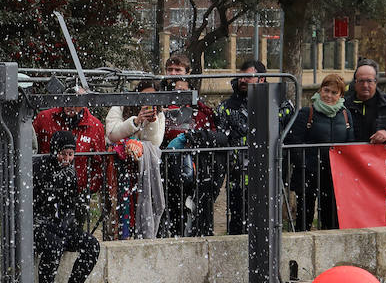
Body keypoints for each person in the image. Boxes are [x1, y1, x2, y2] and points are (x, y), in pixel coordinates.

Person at [33, 129, 119, 283]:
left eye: (71, 154)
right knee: (53, 245)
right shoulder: (39, 168)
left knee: (91, 245)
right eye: (63, 154)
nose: (67, 159)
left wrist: (69, 226)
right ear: (54, 151)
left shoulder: (70, 172)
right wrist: (53, 228)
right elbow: (32, 207)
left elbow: (70, 206)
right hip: (37, 228)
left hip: (61, 228)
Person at [213, 59, 294, 235]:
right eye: (240, 77)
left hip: (269, 172)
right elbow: (221, 134)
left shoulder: (279, 103)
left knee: (268, 220)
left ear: (262, 79)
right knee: (238, 219)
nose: (243, 81)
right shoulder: (227, 106)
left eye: (248, 77)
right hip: (237, 174)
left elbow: (288, 128)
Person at [158, 54, 219, 237]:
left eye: (178, 70)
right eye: (170, 70)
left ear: (187, 73)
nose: (173, 74)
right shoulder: (159, 101)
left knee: (192, 209)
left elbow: (209, 132)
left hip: (193, 168)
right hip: (165, 165)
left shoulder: (200, 109)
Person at [286, 73, 354, 231]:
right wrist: (306, 164)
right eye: (326, 90)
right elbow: (293, 142)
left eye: (334, 92)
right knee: (304, 219)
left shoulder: (345, 115)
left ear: (341, 95)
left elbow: (350, 144)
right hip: (308, 174)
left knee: (331, 220)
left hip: (334, 176)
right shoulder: (306, 113)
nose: (328, 95)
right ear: (320, 90)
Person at [105, 79, 166, 240]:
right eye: (144, 96)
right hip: (119, 169)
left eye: (152, 97)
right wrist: (136, 121)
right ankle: (118, 238)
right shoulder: (120, 106)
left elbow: (154, 144)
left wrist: (151, 123)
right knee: (116, 211)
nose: (148, 101)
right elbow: (112, 134)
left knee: (142, 205)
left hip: (142, 171)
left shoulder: (159, 114)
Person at [343, 58, 386, 145]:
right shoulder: (343, 106)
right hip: (349, 157)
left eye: (369, 81)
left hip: (382, 157)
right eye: (361, 81)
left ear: (376, 82)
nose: (365, 85)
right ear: (355, 82)